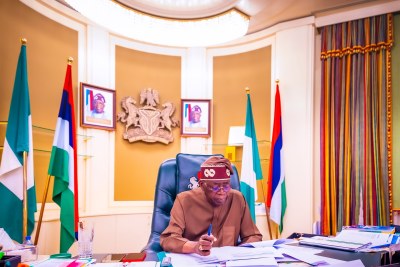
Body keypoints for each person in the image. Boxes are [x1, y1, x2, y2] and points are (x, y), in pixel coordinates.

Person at [160, 156, 262, 256]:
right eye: (215, 186)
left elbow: (253, 236)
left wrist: (238, 255)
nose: (222, 192)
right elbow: (169, 239)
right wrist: (195, 247)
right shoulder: (184, 200)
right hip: (197, 260)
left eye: (226, 185)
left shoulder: (237, 198)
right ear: (202, 184)